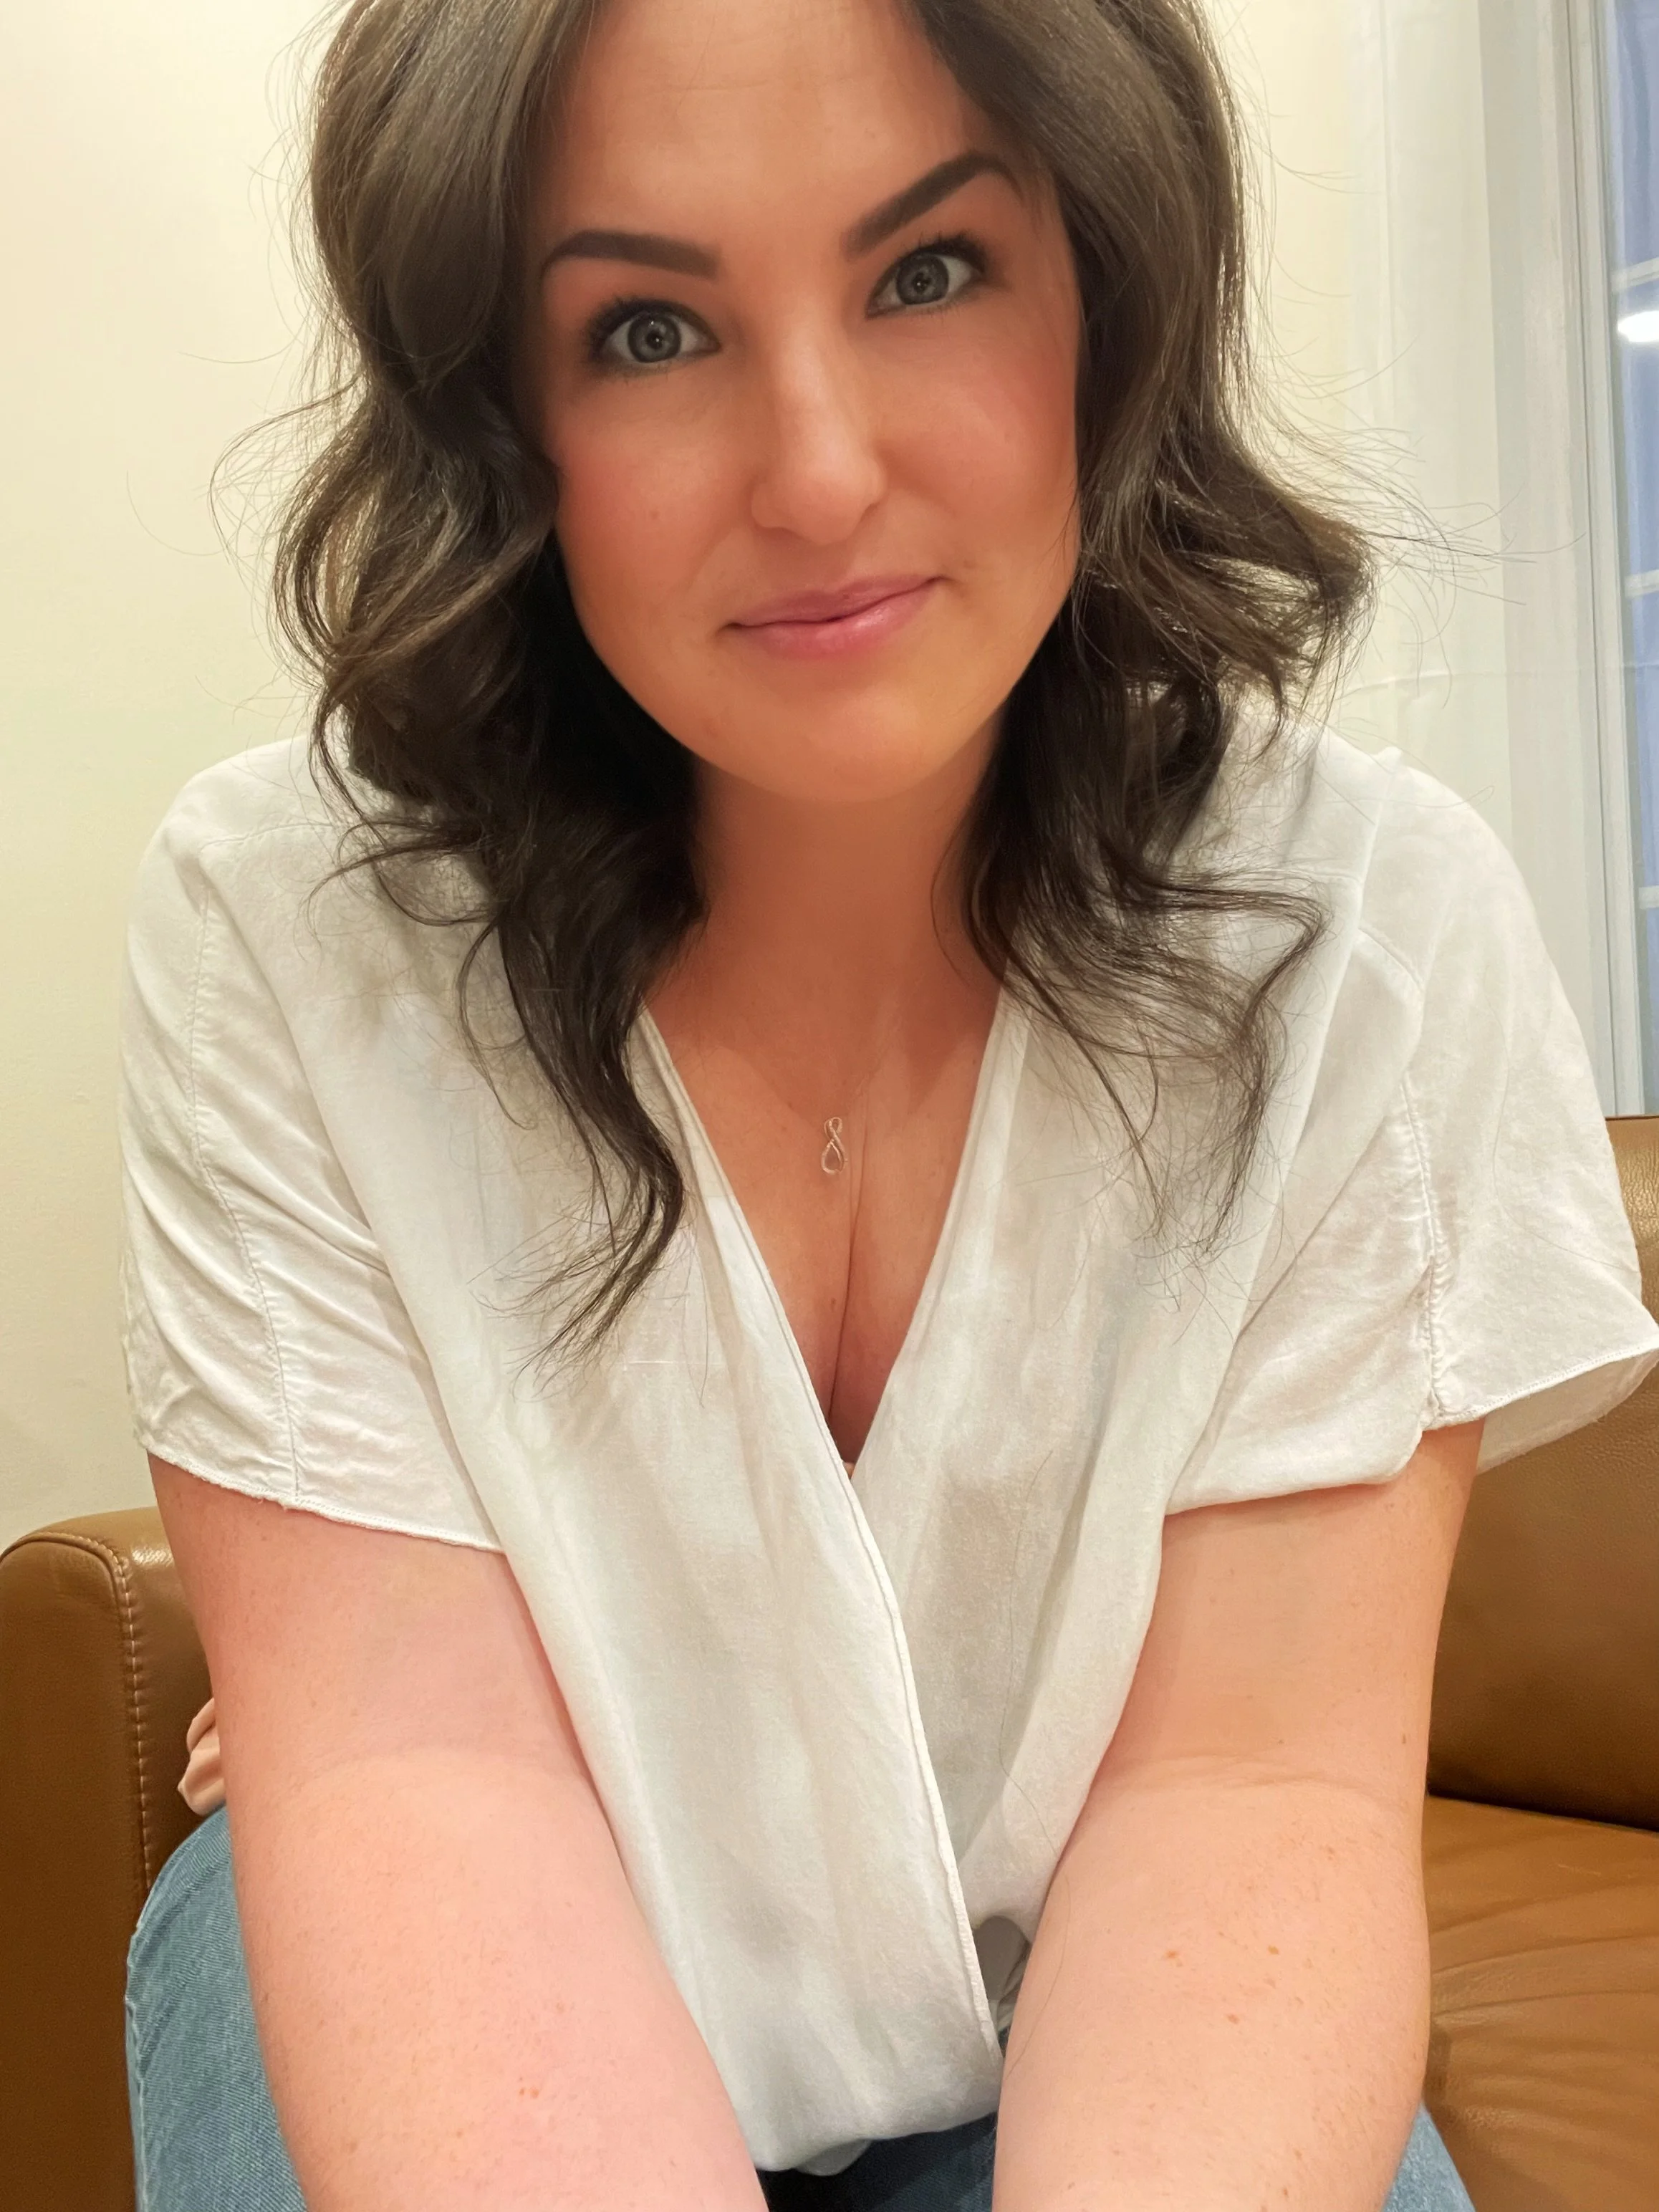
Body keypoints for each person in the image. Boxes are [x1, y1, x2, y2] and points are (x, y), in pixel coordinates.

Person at [117, 0, 1659, 2205]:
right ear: (499, 411)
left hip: (1055, 1985)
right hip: (474, 1928)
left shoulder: (1352, 941)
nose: (820, 470)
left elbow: (1245, 1796)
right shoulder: (298, 929)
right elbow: (416, 1773)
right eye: (648, 328)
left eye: (928, 271)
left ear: (1101, 291)